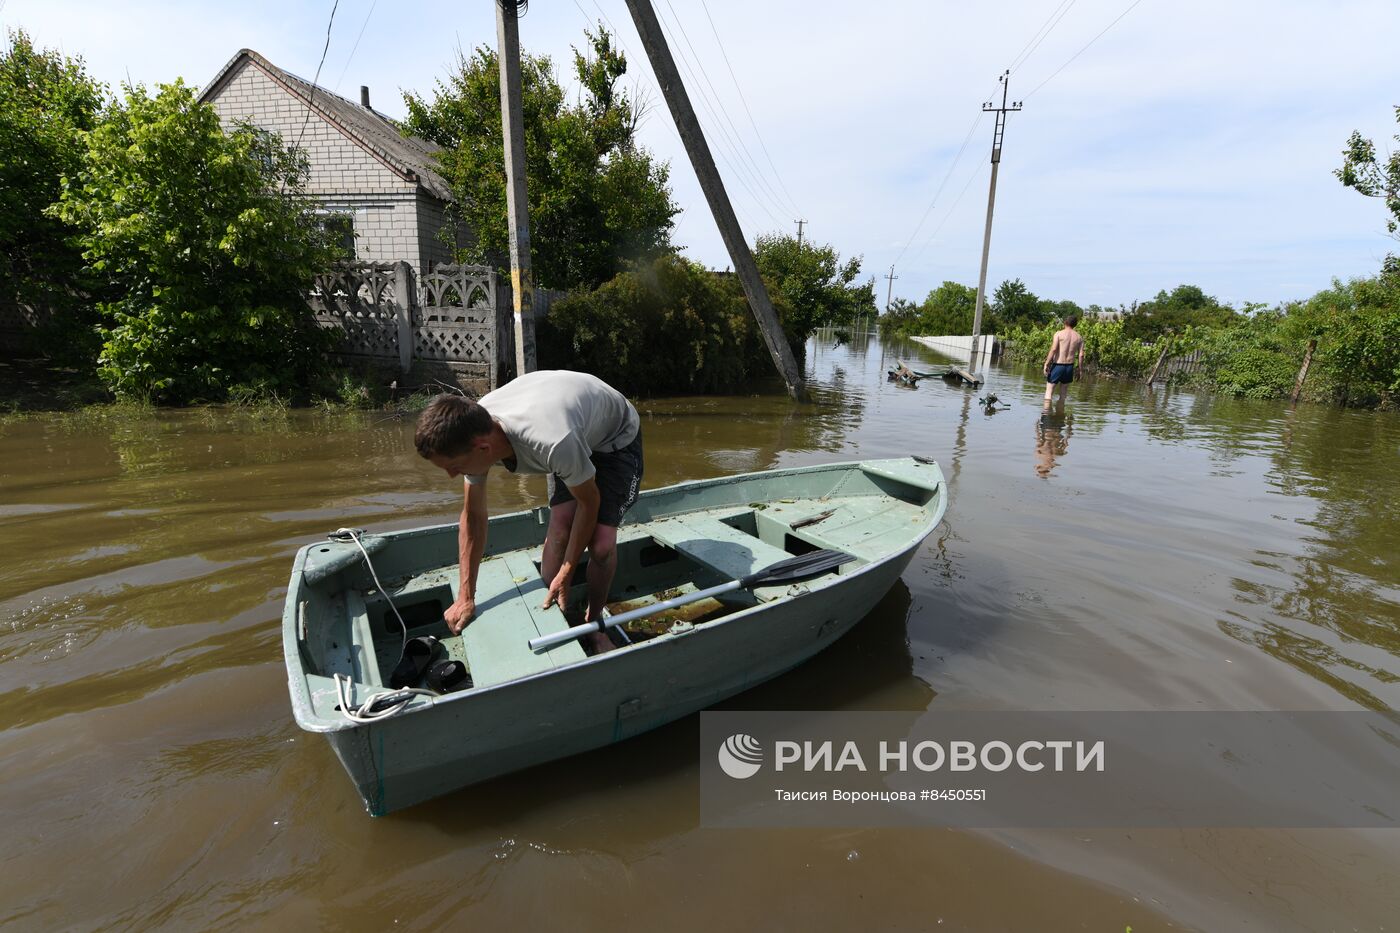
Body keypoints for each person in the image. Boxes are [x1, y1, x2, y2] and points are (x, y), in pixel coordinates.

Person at [413, 371, 643, 655]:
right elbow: (473, 518)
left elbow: (589, 502)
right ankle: (557, 608)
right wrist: (465, 597)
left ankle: (594, 624)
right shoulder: (473, 430)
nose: (451, 476)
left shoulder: (553, 442)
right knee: (560, 528)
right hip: (569, 424)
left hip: (614, 438)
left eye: (454, 467)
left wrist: (568, 569)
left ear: (483, 448)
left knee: (601, 545)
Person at [1043, 315, 1085, 407]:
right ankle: (1060, 418)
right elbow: (1081, 355)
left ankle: (1046, 416)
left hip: (1058, 365)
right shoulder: (1079, 337)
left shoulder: (1058, 334)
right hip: (1069, 367)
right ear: (1075, 325)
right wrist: (1080, 370)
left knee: (1049, 391)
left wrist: (1046, 363)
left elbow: (1054, 349)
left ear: (1065, 322)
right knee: (1063, 394)